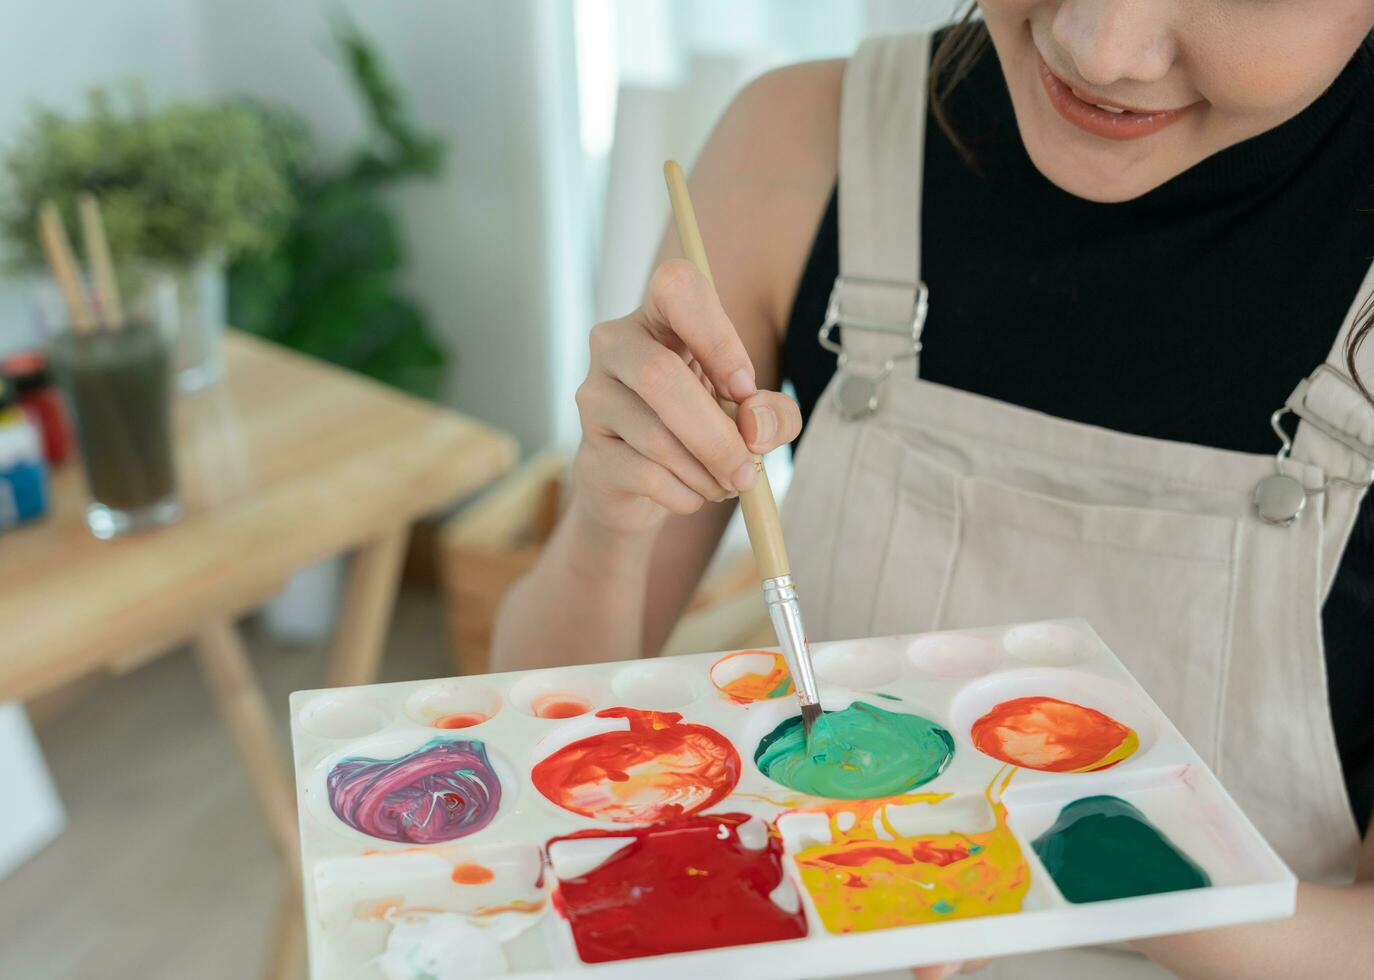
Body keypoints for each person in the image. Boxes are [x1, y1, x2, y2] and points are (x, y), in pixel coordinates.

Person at [493, 2, 1374, 976]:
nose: (1101, 47)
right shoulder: (800, 143)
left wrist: (998, 873)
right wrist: (615, 518)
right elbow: (540, 728)